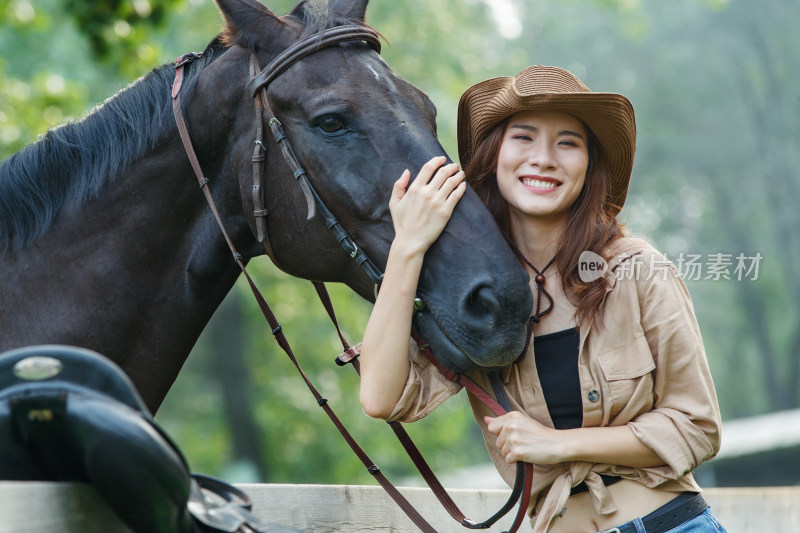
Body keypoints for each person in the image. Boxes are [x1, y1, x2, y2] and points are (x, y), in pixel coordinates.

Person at [358, 65, 726, 533]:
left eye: (568, 142)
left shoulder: (635, 269)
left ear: (589, 164)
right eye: (524, 137)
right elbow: (381, 398)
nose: (544, 158)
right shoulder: (474, 293)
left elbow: (698, 426)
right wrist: (408, 248)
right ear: (494, 154)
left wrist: (561, 444)